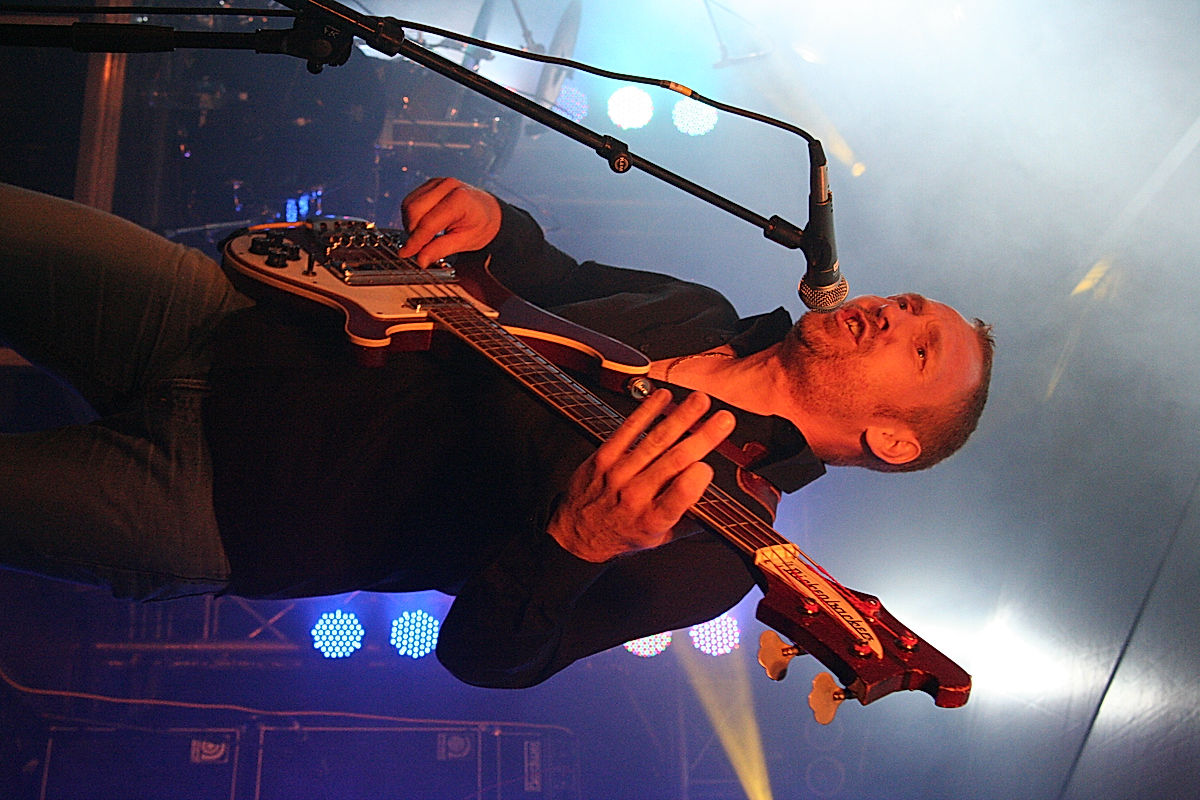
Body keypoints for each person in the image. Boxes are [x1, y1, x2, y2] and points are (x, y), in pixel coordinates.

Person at [0, 177, 993, 688]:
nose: (899, 311)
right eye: (912, 304)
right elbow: (546, 279)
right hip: (234, 320)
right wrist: (494, 218)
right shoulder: (703, 306)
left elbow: (494, 658)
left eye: (921, 346)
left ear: (893, 439)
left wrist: (576, 543)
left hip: (220, 495)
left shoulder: (715, 546)